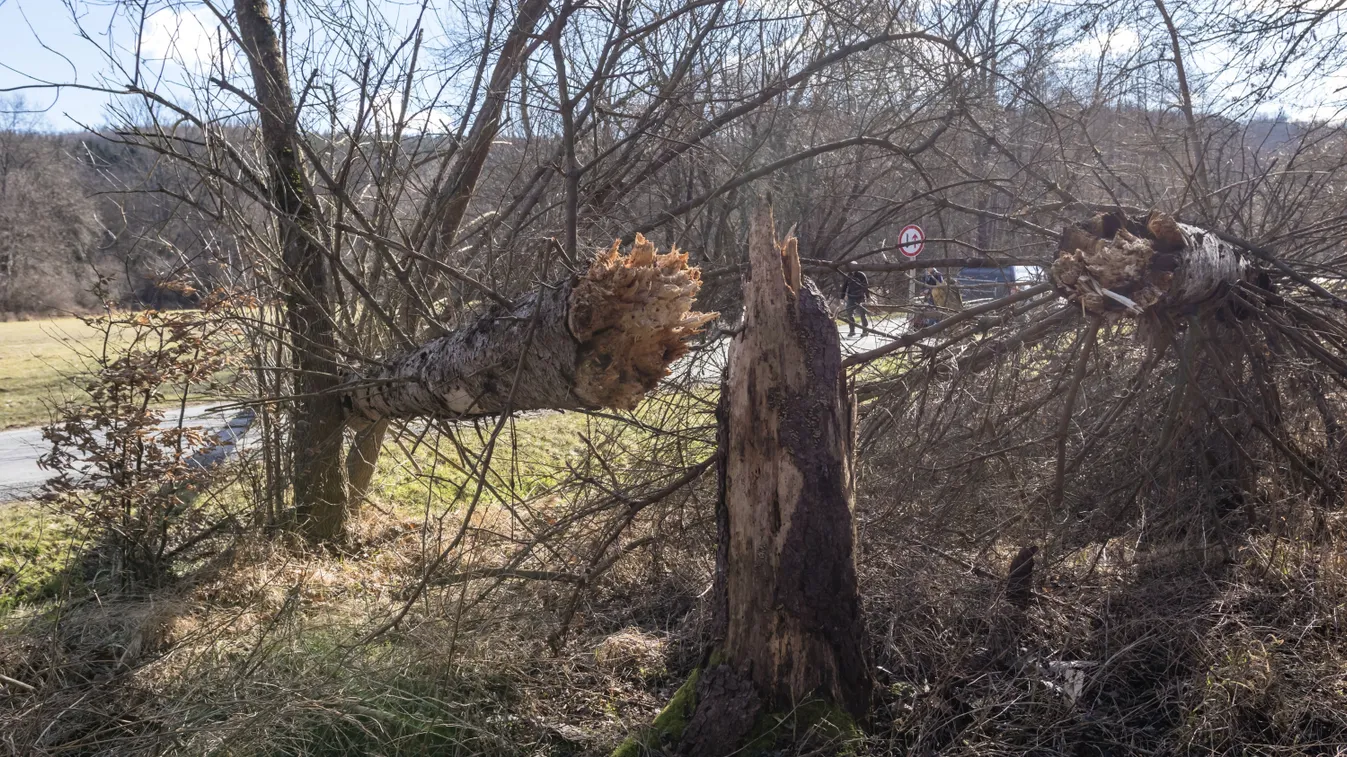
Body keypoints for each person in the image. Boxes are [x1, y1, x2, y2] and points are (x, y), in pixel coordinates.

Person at [841, 270, 870, 336]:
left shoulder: (861, 275)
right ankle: (852, 331)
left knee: (862, 314)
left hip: (861, 297)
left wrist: (867, 296)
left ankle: (865, 331)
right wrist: (842, 297)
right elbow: (844, 286)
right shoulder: (849, 275)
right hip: (851, 297)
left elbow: (866, 286)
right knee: (849, 313)